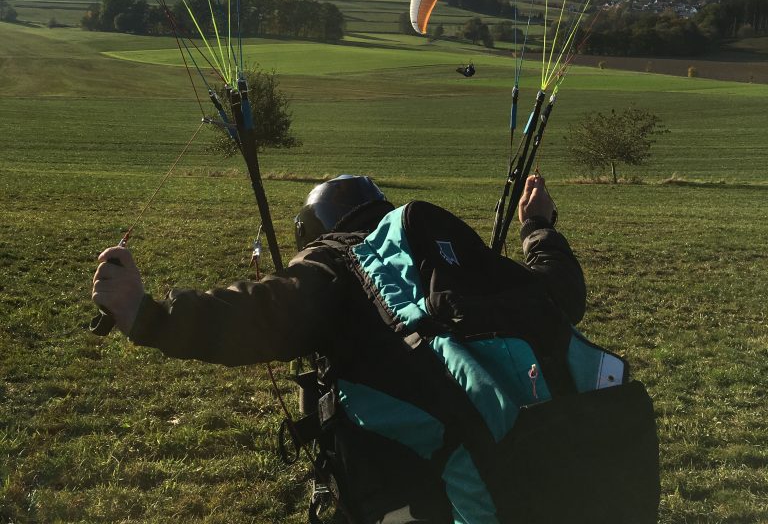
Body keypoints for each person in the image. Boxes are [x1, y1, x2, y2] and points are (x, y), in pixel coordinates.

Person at [93, 173, 586, 524]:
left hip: (408, 486)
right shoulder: (442, 251)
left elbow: (262, 312)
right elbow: (558, 293)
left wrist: (149, 316)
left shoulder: (337, 260)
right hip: (534, 456)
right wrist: (537, 227)